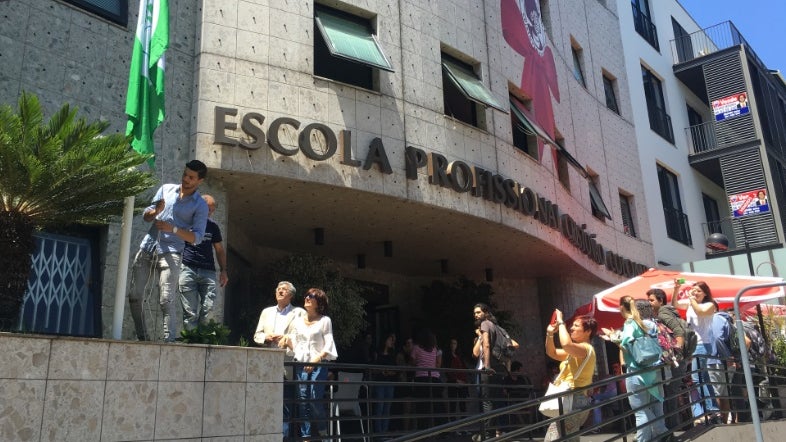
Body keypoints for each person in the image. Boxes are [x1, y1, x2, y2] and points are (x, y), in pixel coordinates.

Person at [127, 160, 209, 342]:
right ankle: (143, 337)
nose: (186, 179)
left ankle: (168, 341)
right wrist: (156, 210)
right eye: (185, 174)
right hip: (148, 246)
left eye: (191, 177)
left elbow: (197, 238)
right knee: (134, 295)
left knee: (166, 299)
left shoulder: (200, 205)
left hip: (172, 251)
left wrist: (172, 229)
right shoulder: (166, 189)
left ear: (199, 181)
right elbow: (146, 216)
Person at [601, 296, 667, 442]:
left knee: (640, 410)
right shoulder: (651, 324)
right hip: (653, 369)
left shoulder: (630, 323)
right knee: (654, 405)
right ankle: (657, 436)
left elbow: (626, 344)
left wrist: (612, 336)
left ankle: (657, 433)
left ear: (622, 308)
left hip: (637, 371)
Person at [279, 288, 338, 439]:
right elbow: (297, 345)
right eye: (306, 295)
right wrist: (287, 341)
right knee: (302, 402)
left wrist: (316, 360)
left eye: (311, 296)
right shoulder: (298, 321)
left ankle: (323, 430)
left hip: (319, 364)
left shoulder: (325, 320)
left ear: (319, 302)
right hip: (301, 365)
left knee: (313, 398)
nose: (307, 297)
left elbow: (329, 344)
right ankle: (306, 437)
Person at [253, 281, 305, 439]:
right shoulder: (266, 312)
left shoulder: (300, 313)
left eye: (284, 290)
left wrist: (286, 338)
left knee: (286, 407)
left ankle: (284, 438)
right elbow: (257, 335)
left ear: (291, 295)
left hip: (288, 365)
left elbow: (303, 337)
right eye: (278, 289)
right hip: (267, 365)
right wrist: (266, 338)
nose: (280, 292)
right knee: (267, 405)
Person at [544, 310, 597, 442]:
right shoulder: (575, 351)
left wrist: (561, 321)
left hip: (574, 398)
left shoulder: (586, 348)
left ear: (588, 331)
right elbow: (552, 352)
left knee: (558, 438)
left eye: (576, 326)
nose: (571, 328)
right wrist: (550, 334)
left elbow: (566, 345)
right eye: (571, 325)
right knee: (562, 438)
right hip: (569, 398)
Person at [178, 195, 228, 330]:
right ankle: (192, 342)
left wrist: (223, 270)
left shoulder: (213, 226)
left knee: (209, 308)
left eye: (211, 211)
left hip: (208, 270)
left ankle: (201, 339)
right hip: (188, 267)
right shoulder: (186, 222)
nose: (209, 213)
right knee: (190, 312)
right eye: (207, 210)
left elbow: (219, 250)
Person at [678, 280, 720, 424]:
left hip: (703, 344)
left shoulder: (709, 305)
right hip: (694, 345)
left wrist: (691, 299)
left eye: (698, 291)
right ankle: (713, 410)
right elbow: (675, 305)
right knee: (703, 378)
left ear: (705, 293)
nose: (695, 293)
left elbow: (700, 311)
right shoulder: (691, 304)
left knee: (697, 379)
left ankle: (712, 410)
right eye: (693, 290)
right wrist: (677, 288)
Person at [648, 288, 689, 430]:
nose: (649, 303)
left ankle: (672, 427)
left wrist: (677, 350)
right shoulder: (663, 312)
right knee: (670, 393)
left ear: (660, 301)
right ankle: (671, 426)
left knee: (670, 393)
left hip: (675, 360)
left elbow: (678, 331)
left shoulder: (663, 312)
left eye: (652, 300)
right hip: (676, 360)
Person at [472, 303, 508, 441]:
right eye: (474, 313)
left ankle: (487, 435)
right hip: (498, 368)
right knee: (494, 401)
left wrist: (486, 366)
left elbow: (486, 345)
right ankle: (494, 433)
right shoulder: (497, 328)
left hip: (489, 368)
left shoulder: (485, 324)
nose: (476, 315)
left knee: (487, 402)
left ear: (486, 312)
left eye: (478, 312)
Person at [411, 328, 441, 430]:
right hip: (434, 378)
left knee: (422, 406)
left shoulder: (416, 348)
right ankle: (440, 430)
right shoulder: (434, 349)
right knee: (436, 406)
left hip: (421, 378)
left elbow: (413, 363)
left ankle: (422, 430)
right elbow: (436, 364)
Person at [372, 333, 398, 434]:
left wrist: (389, 372)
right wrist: (381, 371)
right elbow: (373, 369)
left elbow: (396, 370)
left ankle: (384, 432)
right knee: (380, 407)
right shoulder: (377, 353)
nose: (391, 342)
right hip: (380, 382)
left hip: (390, 382)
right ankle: (379, 433)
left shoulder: (392, 354)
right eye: (390, 339)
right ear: (385, 340)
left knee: (387, 408)